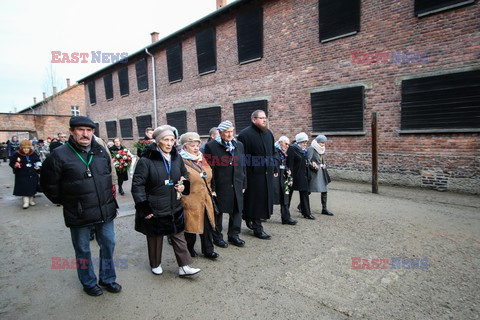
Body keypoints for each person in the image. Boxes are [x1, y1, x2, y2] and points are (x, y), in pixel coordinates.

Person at [40, 116, 121, 297]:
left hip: (104, 209)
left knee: (108, 243)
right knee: (83, 248)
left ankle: (107, 278)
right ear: (72, 131)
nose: (85, 134)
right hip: (79, 212)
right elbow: (47, 184)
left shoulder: (100, 151)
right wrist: (66, 201)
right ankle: (88, 282)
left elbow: (108, 175)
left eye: (89, 130)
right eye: (81, 130)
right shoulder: (59, 155)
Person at [131, 125, 201, 277]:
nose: (169, 144)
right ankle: (155, 264)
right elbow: (137, 186)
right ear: (157, 142)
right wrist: (145, 209)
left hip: (174, 206)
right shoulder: (146, 160)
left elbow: (185, 175)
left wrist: (184, 185)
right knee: (155, 239)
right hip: (154, 207)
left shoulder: (177, 157)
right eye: (165, 140)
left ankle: (184, 266)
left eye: (172, 140)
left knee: (178, 236)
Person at [204, 120, 247, 248]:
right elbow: (208, 168)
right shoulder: (211, 146)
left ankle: (234, 235)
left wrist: (244, 183)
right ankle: (217, 237)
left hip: (237, 182)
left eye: (231, 131)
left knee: (237, 210)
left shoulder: (239, 145)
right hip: (221, 184)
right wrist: (212, 187)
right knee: (219, 211)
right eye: (226, 132)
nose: (229, 134)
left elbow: (243, 165)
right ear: (220, 133)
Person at [179, 132, 219, 259]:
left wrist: (213, 189)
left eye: (197, 145)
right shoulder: (180, 161)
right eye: (192, 145)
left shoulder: (202, 158)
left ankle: (208, 250)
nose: (196, 148)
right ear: (185, 147)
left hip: (205, 198)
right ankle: (189, 249)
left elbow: (210, 174)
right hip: (190, 199)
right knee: (191, 227)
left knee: (207, 225)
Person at [237, 110, 276, 239]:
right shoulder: (244, 135)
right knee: (255, 201)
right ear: (254, 119)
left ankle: (250, 219)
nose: (265, 120)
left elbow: (273, 152)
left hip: (267, 174)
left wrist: (274, 166)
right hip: (253, 175)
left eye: (265, 118)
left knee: (263, 200)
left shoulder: (268, 134)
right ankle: (257, 228)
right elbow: (243, 158)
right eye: (261, 118)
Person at [287, 132, 315, 220]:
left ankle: (306, 212)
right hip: (294, 175)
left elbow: (306, 161)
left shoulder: (304, 150)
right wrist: (289, 176)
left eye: (306, 142)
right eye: (303, 142)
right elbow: (290, 163)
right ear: (298, 142)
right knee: (288, 194)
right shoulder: (292, 149)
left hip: (303, 175)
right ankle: (285, 214)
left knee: (304, 194)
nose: (305, 144)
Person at [9, 140, 41, 209]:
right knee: (24, 188)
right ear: (21, 148)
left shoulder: (33, 153)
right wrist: (15, 165)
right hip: (22, 174)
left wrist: (38, 166)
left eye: (27, 148)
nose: (26, 150)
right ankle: (26, 202)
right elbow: (11, 163)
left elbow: (38, 161)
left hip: (32, 173)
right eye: (24, 148)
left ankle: (31, 200)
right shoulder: (17, 154)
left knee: (32, 187)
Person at [273, 136, 297, 225]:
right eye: (286, 144)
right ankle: (262, 216)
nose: (287, 146)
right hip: (275, 178)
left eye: (288, 144)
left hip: (282, 177)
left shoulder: (283, 152)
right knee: (270, 197)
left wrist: (287, 169)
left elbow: (283, 163)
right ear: (280, 142)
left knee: (285, 197)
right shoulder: (274, 151)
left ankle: (286, 218)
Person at [308, 135, 334, 216]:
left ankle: (324, 208)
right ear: (317, 142)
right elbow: (308, 160)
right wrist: (313, 164)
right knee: (309, 190)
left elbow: (322, 159)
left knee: (324, 190)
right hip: (314, 173)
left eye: (324, 143)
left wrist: (323, 164)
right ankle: (301, 206)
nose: (323, 144)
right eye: (321, 143)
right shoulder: (311, 148)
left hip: (321, 172)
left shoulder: (322, 150)